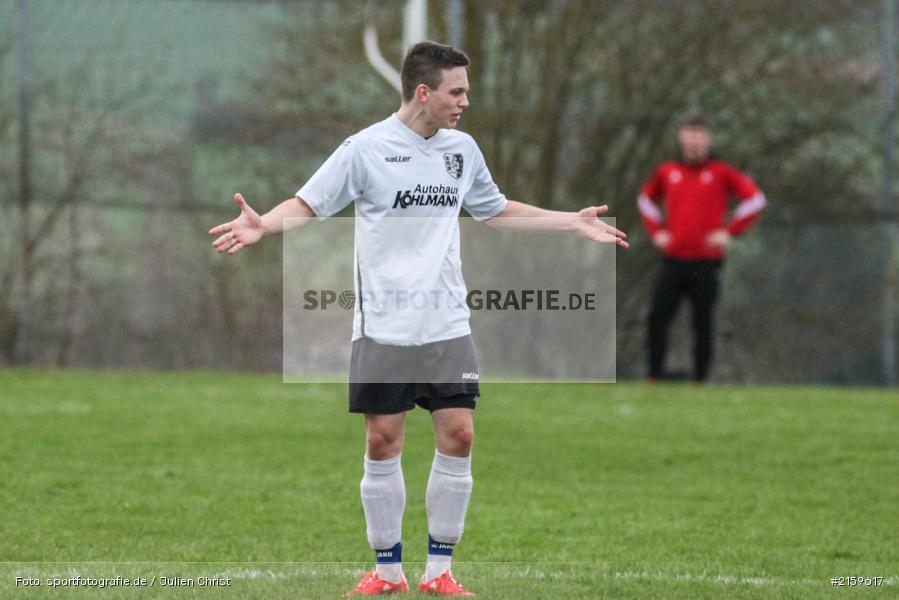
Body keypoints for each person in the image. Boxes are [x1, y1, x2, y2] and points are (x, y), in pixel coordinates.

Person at [209, 41, 628, 596]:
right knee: (383, 442)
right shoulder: (364, 149)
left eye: (467, 92)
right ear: (424, 92)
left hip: (447, 323)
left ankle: (439, 573)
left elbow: (494, 210)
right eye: (457, 92)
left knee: (459, 434)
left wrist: (567, 222)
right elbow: (310, 203)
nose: (465, 102)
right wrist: (265, 226)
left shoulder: (463, 150)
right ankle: (386, 573)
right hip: (384, 327)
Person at [638, 115, 766, 383]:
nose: (694, 139)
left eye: (699, 134)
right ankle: (654, 376)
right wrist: (657, 232)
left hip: (707, 262)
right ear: (681, 137)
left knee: (702, 322)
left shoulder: (721, 172)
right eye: (690, 133)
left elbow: (755, 200)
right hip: (673, 259)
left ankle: (699, 379)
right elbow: (646, 200)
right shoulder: (667, 171)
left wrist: (729, 232)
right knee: (657, 316)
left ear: (708, 138)